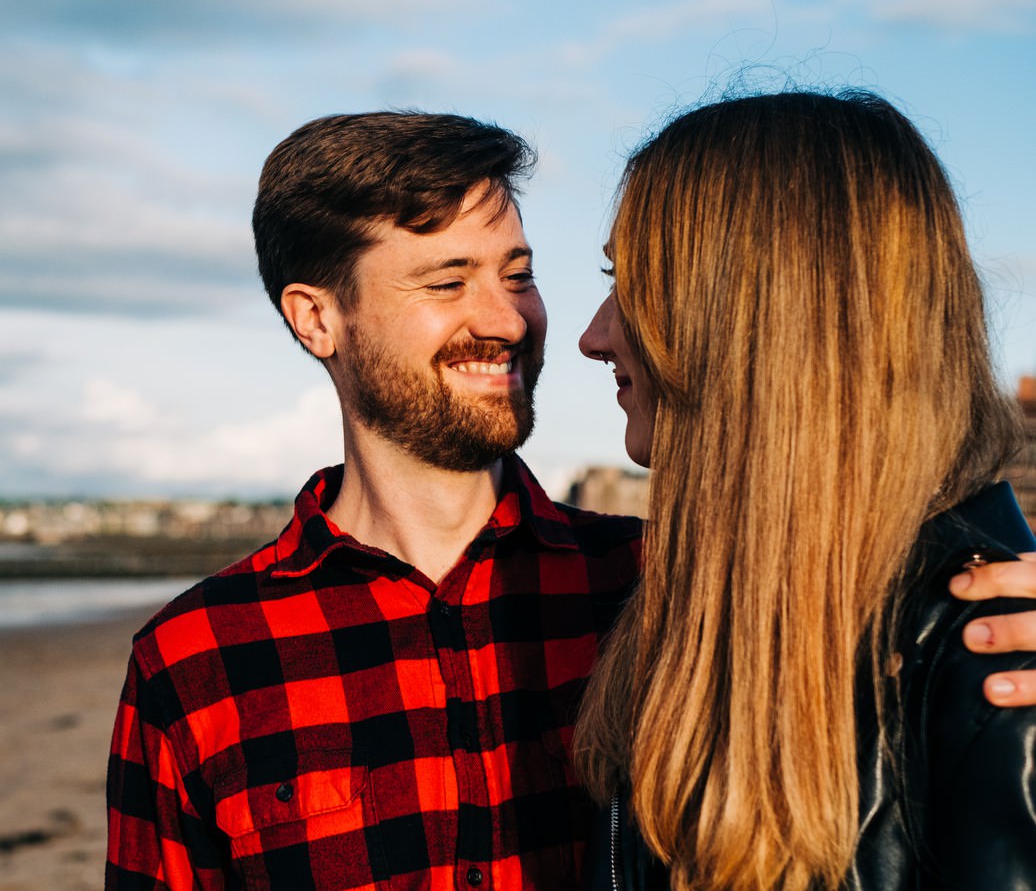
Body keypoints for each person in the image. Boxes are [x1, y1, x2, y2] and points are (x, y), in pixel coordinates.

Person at [106, 109, 1036, 891]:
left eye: (518, 274)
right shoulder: (196, 663)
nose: (509, 319)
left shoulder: (682, 592)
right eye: (447, 282)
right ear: (317, 318)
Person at [574, 89, 1036, 890]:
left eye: (634, 281)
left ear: (752, 311)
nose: (593, 335)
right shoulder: (687, 600)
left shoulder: (994, 657)